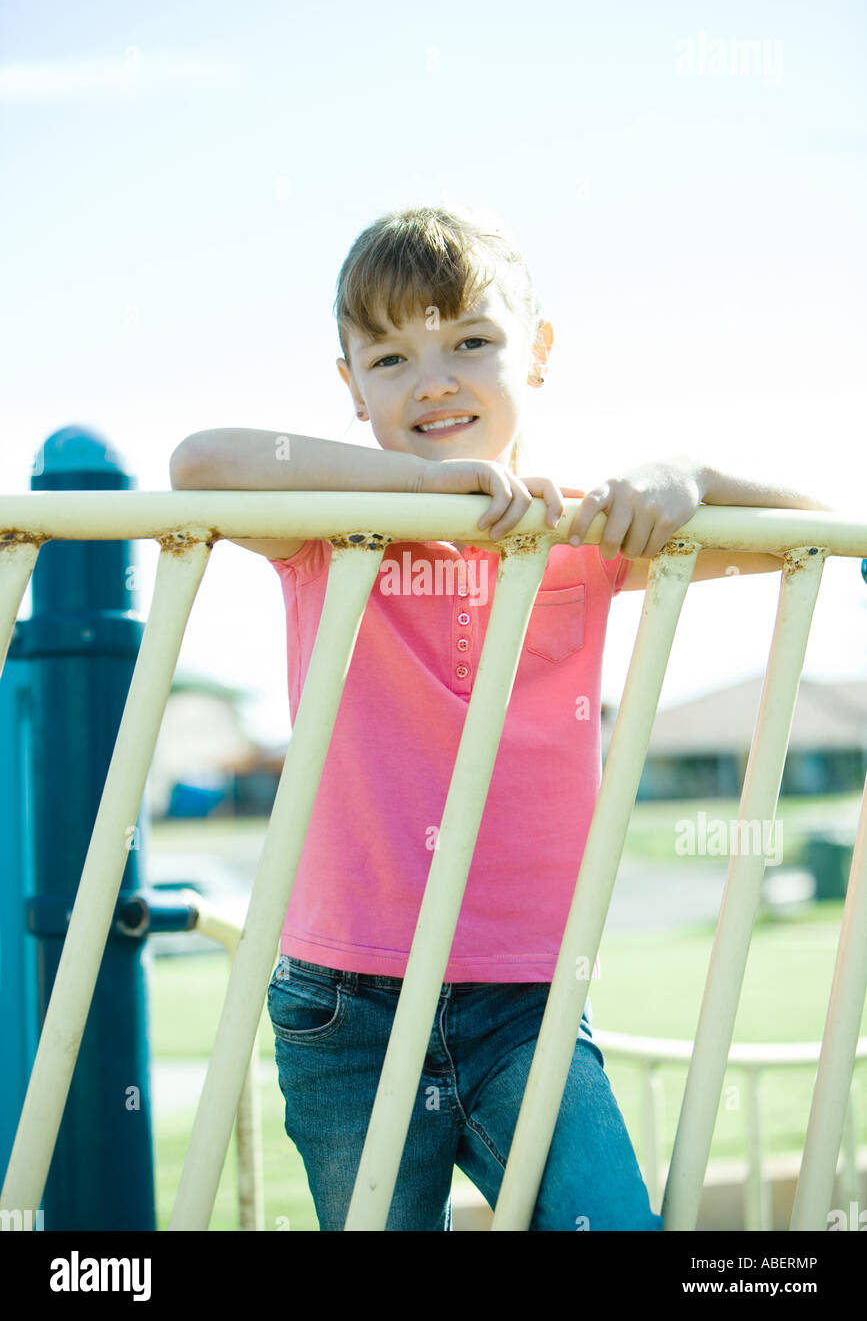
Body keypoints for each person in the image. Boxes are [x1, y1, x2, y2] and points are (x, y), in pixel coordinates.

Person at [169, 203, 832, 1231]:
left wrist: (691, 479)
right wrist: (417, 487)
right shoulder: (336, 530)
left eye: (469, 342)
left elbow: (812, 526)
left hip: (523, 1003)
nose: (433, 378)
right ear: (349, 387)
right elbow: (200, 464)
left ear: (539, 353)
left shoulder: (581, 530)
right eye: (390, 357)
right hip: (347, 1004)